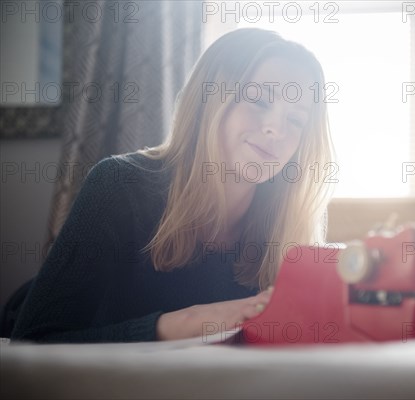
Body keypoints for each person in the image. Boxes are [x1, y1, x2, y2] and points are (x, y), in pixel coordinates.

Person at [10, 28, 335, 343]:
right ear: (210, 100)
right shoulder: (119, 184)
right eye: (259, 101)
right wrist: (178, 325)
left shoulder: (286, 225)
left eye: (295, 120)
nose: (276, 129)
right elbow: (32, 343)